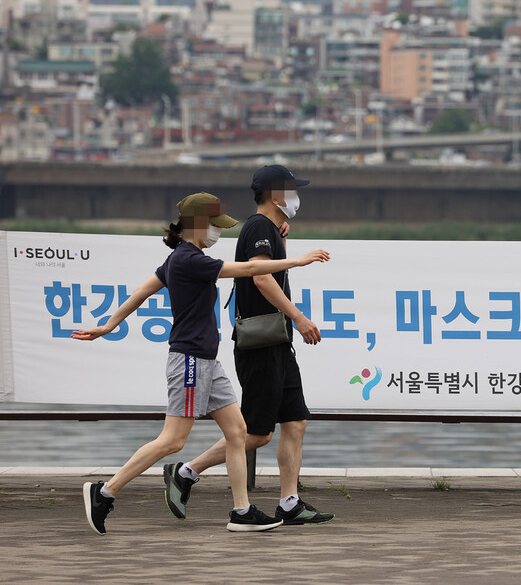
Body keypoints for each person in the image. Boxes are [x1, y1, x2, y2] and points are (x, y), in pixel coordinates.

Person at [72, 192, 330, 535]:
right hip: (190, 360)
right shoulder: (190, 260)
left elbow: (142, 290)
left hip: (207, 361)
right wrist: (297, 260)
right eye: (214, 226)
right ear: (195, 225)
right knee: (172, 441)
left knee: (238, 432)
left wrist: (109, 324)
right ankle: (105, 492)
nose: (218, 233)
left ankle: (241, 512)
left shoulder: (181, 258)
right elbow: (251, 268)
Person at [166, 165, 333, 526]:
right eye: (292, 191)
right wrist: (298, 318)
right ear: (276, 196)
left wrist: (283, 240)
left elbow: (271, 269)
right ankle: (187, 472)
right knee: (256, 433)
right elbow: (260, 277)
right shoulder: (258, 227)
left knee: (295, 420)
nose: (296, 198)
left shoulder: (270, 229)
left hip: (276, 342)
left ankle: (289, 501)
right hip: (261, 342)